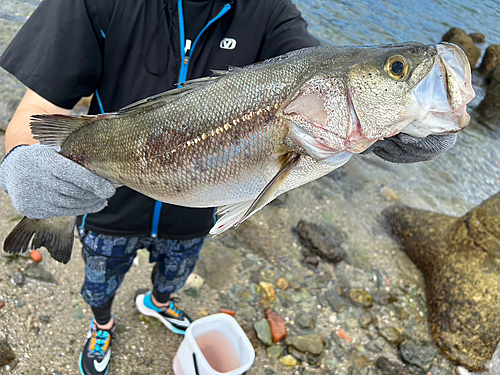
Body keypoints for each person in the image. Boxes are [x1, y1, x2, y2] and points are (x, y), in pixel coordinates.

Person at [0, 0, 457, 374]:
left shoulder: (270, 13)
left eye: (396, 68)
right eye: (397, 68)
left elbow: (318, 60)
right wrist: (23, 165)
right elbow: (33, 118)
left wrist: (400, 129)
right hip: (105, 208)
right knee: (100, 283)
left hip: (194, 216)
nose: (401, 72)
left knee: (173, 277)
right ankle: (102, 325)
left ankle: (159, 301)